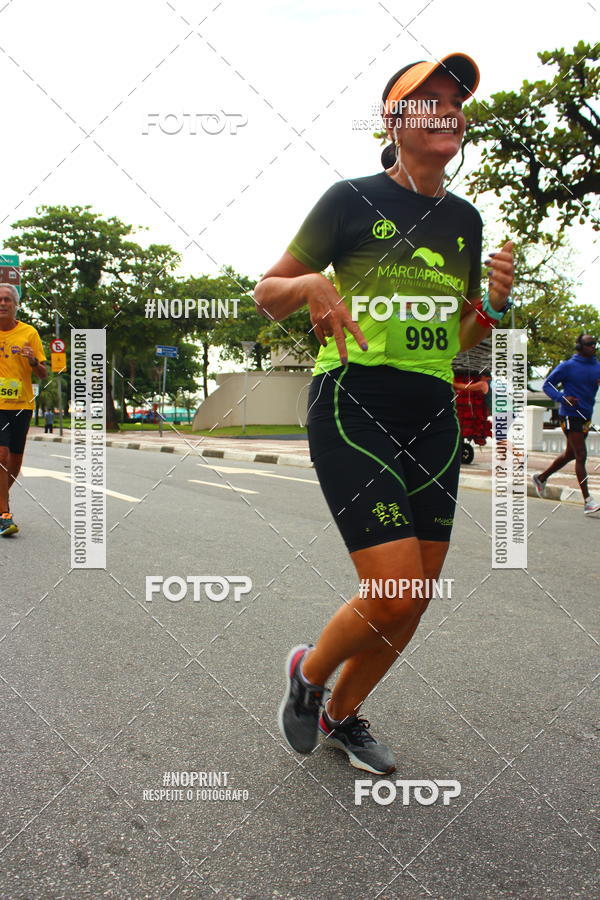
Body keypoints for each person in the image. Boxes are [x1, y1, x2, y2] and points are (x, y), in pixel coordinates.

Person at [254, 54, 514, 774]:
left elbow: (456, 337)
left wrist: (490, 309)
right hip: (353, 402)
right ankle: (308, 678)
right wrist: (309, 283)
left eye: (455, 102)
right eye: (427, 101)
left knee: (413, 602)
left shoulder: (465, 220)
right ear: (394, 122)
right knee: (393, 588)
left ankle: (341, 715)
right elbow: (266, 291)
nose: (448, 111)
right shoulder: (349, 200)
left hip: (432, 414)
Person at [533, 334, 600, 514]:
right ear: (579, 346)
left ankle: (541, 477)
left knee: (570, 454)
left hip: (586, 416)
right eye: (589, 344)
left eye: (595, 343)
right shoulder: (568, 366)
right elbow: (547, 385)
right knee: (581, 455)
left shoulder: (597, 367)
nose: (593, 346)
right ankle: (588, 500)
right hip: (569, 415)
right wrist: (562, 397)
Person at [0, 284, 47, 536]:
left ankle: (0, 501)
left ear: (15, 305)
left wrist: (32, 361)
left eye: (8, 299)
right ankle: (4, 514)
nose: (3, 303)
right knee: (1, 455)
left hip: (22, 405)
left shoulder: (29, 333)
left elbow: (42, 372)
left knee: (15, 460)